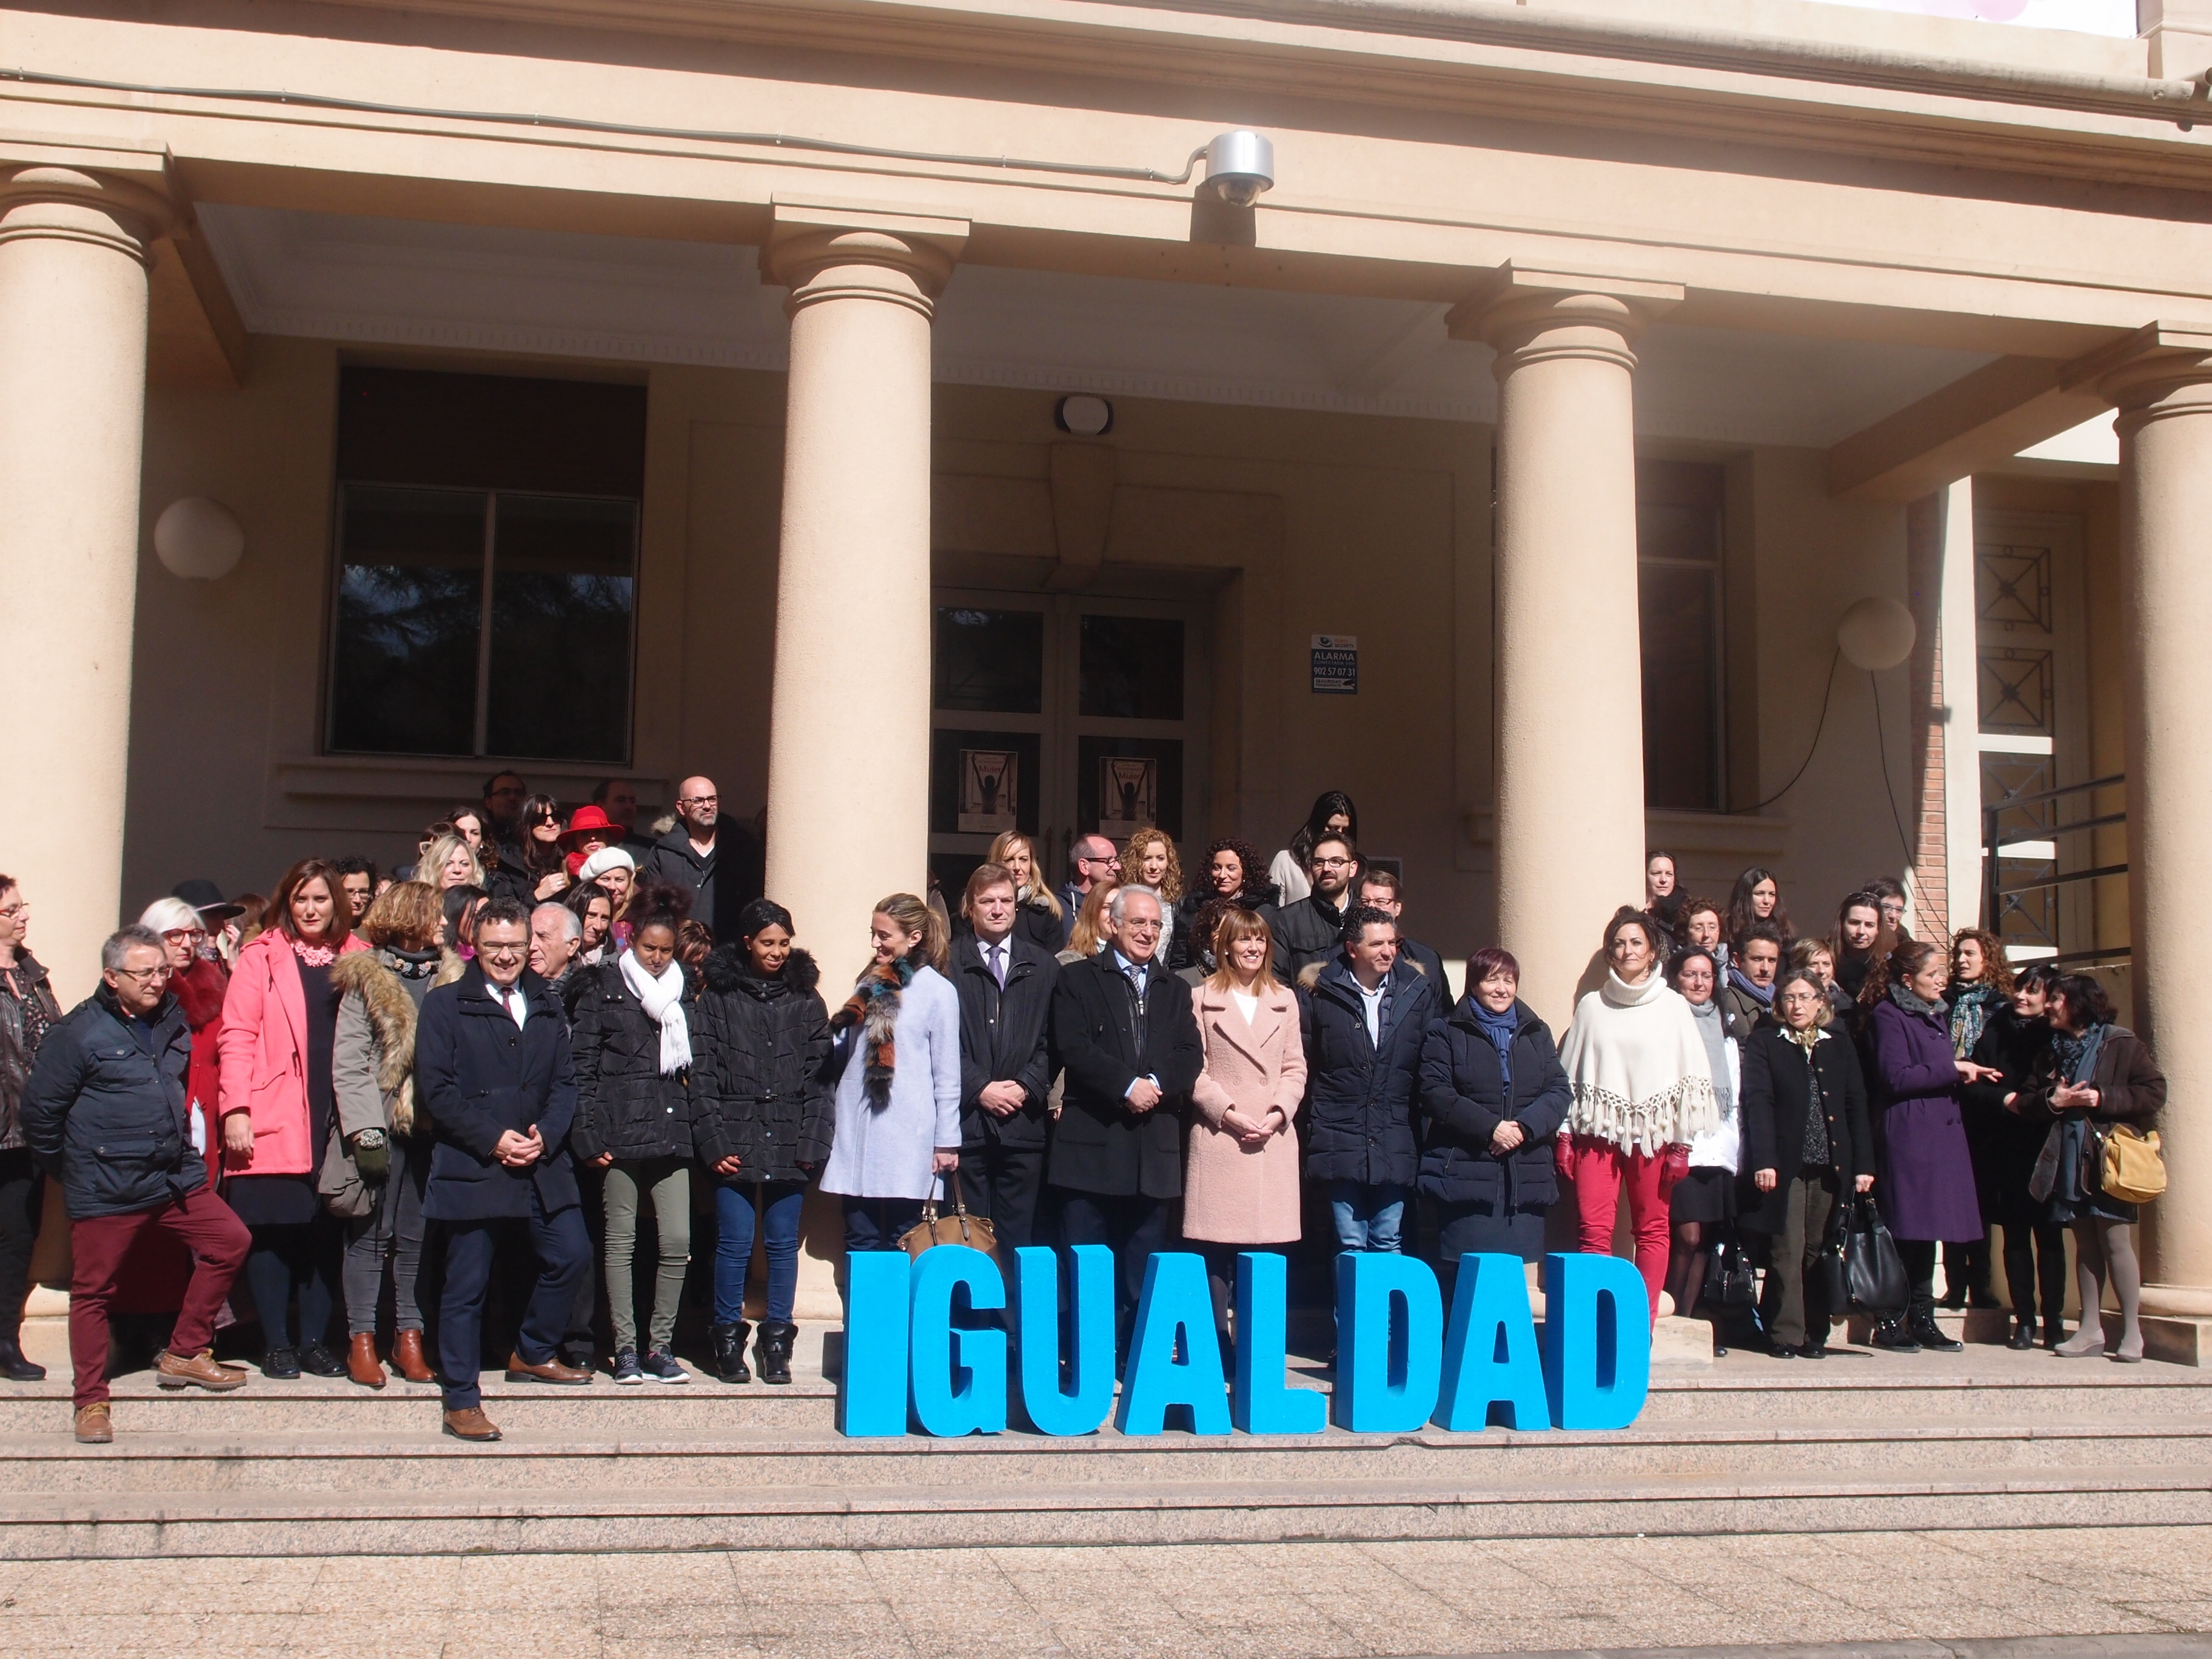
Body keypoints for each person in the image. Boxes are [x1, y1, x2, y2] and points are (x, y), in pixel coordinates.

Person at [23, 926, 254, 1441]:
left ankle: (185, 1350)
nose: (158, 981)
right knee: (93, 1291)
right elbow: (41, 1116)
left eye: (162, 971)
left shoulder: (171, 1016)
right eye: (145, 972)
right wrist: (79, 1166)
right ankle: (90, 1402)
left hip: (172, 1174)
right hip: (107, 1183)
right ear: (112, 977)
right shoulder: (79, 1034)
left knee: (230, 1242)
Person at [415, 898, 592, 1438]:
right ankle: (462, 1399)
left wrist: (548, 1134)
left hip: (541, 1160)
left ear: (529, 946)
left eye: (515, 947)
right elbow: (436, 1091)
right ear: (476, 947)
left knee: (571, 1254)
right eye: (494, 947)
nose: (506, 957)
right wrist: (494, 1140)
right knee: (466, 1286)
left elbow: (565, 1082)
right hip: (476, 1161)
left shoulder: (547, 1003)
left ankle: (533, 1351)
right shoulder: (445, 1005)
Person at [218, 861, 366, 1380]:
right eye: (301, 899)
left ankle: (313, 1342)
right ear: (287, 902)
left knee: (326, 1235)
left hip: (338, 1115)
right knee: (274, 1233)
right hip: (275, 1111)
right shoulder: (261, 958)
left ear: (337, 906)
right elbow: (236, 1036)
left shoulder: (359, 958)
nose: (311, 909)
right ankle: (276, 1342)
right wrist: (235, 1108)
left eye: (321, 900)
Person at [1048, 885, 1203, 1348]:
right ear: (1112, 924)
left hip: (1151, 1153)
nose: (1148, 932)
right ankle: (1084, 1353)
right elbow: (1072, 1046)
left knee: (1144, 1263)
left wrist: (1154, 1084)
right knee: (1086, 1263)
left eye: (1155, 924)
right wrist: (1124, 1085)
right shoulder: (1076, 981)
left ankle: (1136, 1354)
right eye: (1138, 922)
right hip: (1092, 1148)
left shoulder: (1175, 989)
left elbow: (1189, 1055)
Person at [694, 898, 833, 1386]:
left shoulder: (806, 1001)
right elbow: (703, 1073)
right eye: (768, 943)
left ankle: (778, 1341)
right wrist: (713, 1142)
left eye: (784, 943)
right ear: (748, 942)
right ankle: (728, 1339)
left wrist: (813, 1141)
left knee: (781, 1245)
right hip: (733, 1135)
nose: (777, 952)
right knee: (732, 1243)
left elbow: (822, 1078)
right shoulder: (717, 998)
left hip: (789, 1136)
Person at [1556, 907, 1716, 1318]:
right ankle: (1592, 1321)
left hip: (1654, 1133)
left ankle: (1639, 1323)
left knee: (1651, 1228)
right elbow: (1572, 1073)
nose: (1628, 950)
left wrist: (1681, 1144)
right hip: (1598, 1131)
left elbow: (1690, 1076)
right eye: (1620, 943)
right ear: (1611, 953)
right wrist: (1565, 1133)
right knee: (1593, 1229)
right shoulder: (1592, 1007)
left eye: (1636, 943)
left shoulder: (1673, 1007)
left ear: (1652, 952)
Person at [329, 880, 458, 1388]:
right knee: (369, 1233)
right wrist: (366, 1133)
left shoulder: (453, 976)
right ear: (411, 919)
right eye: (437, 915)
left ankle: (410, 1337)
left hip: (432, 1123)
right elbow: (349, 1061)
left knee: (416, 1236)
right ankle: (362, 1339)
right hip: (379, 1122)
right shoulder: (368, 977)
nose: (445, 924)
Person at [569, 885, 696, 1384]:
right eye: (650, 950)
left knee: (677, 1240)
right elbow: (583, 1066)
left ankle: (659, 1345)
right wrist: (587, 1133)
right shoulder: (602, 986)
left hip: (670, 1128)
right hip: (618, 1131)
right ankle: (625, 1347)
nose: (659, 959)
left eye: (667, 951)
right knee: (620, 1241)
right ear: (632, 942)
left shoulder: (686, 990)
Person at [2020, 973, 2166, 1362]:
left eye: (2056, 998)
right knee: (2084, 1242)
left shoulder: (2121, 1042)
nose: (2048, 1005)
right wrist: (2055, 1098)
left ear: (2078, 1003)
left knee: (2116, 1241)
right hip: (2067, 1155)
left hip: (2107, 1157)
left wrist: (2102, 1097)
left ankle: (2132, 1332)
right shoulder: (2049, 1049)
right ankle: (2090, 1330)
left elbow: (2154, 1091)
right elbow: (2031, 1098)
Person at [819, 894, 962, 1277]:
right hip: (859, 1133)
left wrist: (947, 1141)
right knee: (859, 1238)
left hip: (908, 1138)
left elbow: (947, 1073)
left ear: (914, 937)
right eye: (873, 933)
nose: (875, 943)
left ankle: (900, 1333)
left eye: (884, 935)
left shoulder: (938, 992)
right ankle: (865, 1334)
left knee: (906, 1238)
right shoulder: (868, 982)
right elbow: (848, 1053)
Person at [1859, 939, 1990, 1353]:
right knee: (1906, 1231)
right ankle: (1890, 1319)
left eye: (1941, 974)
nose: (1941, 981)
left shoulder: (1937, 1013)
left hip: (1940, 1137)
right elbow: (1895, 1076)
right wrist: (1952, 1069)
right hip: (1909, 1137)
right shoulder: (1889, 1015)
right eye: (1932, 975)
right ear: (1906, 980)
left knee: (1929, 1232)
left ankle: (1924, 1317)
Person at [1184, 907, 1305, 1347]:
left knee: (1265, 1251)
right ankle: (1216, 1346)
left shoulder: (1285, 998)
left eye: (1259, 941)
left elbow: (1295, 1067)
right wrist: (1228, 1113)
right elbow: (1193, 1071)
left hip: (1271, 1139)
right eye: (1243, 940)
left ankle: (1259, 1348)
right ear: (1226, 946)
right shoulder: (1201, 998)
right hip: (1221, 1136)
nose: (1252, 948)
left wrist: (1277, 1115)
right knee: (1215, 1250)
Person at [1740, 968, 1875, 1359]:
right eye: (1789, 998)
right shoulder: (1767, 1042)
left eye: (1805, 998)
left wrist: (1863, 1164)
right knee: (1788, 1247)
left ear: (1821, 1003)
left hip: (1831, 1162)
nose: (1796, 1005)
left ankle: (1815, 1332)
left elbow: (1855, 1105)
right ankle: (1784, 1333)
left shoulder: (1838, 1044)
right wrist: (1764, 1159)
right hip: (1787, 1162)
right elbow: (1758, 1103)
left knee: (1819, 1247)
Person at [1418, 947, 1571, 1289]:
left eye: (1509, 980)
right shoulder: (1445, 1031)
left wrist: (1524, 1128)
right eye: (1492, 980)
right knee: (1465, 1282)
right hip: (1466, 1175)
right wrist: (1491, 1129)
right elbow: (1435, 1092)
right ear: (1474, 985)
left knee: (1509, 1283)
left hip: (1523, 1176)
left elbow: (1560, 1090)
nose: (1502, 988)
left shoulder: (1536, 1031)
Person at [1306, 905, 1441, 1259]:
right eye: (1377, 944)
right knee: (1350, 1242)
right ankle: (1351, 1317)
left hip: (1396, 1131)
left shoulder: (1417, 991)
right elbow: (1306, 1061)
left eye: (1393, 943)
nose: (1388, 951)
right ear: (1352, 949)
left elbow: (1429, 1063)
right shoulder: (1320, 991)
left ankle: (1385, 1318)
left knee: (1388, 1240)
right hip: (1339, 1131)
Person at [951, 863, 1059, 1256]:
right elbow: (941, 1044)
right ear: (970, 906)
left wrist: (1028, 1085)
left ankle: (1013, 1316)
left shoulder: (1044, 966)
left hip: (1023, 1125)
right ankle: (971, 1316)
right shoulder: (949, 964)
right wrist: (979, 1087)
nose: (998, 909)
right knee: (970, 1239)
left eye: (1005, 900)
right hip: (967, 1126)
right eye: (987, 901)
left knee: (1018, 1239)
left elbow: (1057, 1040)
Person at [1960, 964, 2064, 1349]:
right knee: (2015, 1237)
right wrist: (2007, 1100)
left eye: (2032, 991)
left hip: (2046, 1150)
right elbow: (1975, 1084)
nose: (2021, 997)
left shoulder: (2057, 1038)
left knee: (2050, 1238)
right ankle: (2024, 1320)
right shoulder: (1997, 1027)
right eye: (2020, 989)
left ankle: (2052, 1322)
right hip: (2004, 1147)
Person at [0, 876, 62, 1381]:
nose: (23, 917)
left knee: (20, 1239)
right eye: (11, 910)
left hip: (29, 1132)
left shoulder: (31, 974)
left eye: (23, 908)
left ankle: (4, 1339)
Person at [1664, 948, 1741, 1346]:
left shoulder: (1725, 1031)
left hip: (1717, 1149)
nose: (1699, 983)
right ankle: (1666, 1316)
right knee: (1686, 1238)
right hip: (1681, 1147)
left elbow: (1737, 1095)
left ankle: (1687, 1323)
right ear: (1675, 978)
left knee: (1703, 1244)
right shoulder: (1665, 1023)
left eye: (1707, 975)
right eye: (1691, 974)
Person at [1940, 928, 2014, 1312]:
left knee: (1981, 1202)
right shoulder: (1942, 1002)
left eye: (1970, 953)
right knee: (1953, 1198)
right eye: (1958, 954)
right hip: (1948, 1105)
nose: (1961, 960)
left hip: (1984, 1111)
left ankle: (1981, 1283)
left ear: (1989, 959)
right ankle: (1954, 1284)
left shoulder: (2001, 1007)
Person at [138, 897, 229, 1189]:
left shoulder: (218, 990)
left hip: (208, 1124)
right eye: (175, 935)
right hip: (155, 1129)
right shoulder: (144, 997)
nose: (186, 944)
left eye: (194, 935)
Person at [638, 774, 765, 942]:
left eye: (712, 799)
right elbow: (652, 909)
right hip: (679, 954)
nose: (707, 806)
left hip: (731, 955)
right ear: (681, 807)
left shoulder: (744, 849)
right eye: (698, 800)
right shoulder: (664, 853)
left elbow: (756, 903)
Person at [1171, 837, 1277, 977]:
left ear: (1245, 872)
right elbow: (1179, 960)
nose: (1222, 875)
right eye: (1217, 868)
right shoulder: (1194, 907)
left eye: (1231, 868)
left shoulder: (1263, 911)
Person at [1269, 831, 1361, 982]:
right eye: (1318, 862)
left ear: (1353, 868)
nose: (1326, 868)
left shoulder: (1367, 919)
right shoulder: (1286, 921)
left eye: (1336, 861)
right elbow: (1275, 980)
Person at [1350, 867, 1446, 990]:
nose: (1372, 907)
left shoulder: (1426, 959)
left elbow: (1441, 1008)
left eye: (1381, 902)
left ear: (1398, 908)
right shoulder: (1339, 957)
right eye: (1365, 902)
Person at [973, 831, 1064, 953]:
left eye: (1023, 859)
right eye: (1009, 859)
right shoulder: (975, 906)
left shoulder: (1047, 910)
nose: (1017, 867)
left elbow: (1053, 963)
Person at [1270, 791, 1356, 908]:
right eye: (1333, 828)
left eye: (1345, 830)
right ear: (1318, 824)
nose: (1339, 835)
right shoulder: (1287, 861)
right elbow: (1274, 912)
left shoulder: (1353, 866)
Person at [1122, 827, 1183, 962]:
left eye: (1160, 858)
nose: (1154, 866)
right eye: (1147, 858)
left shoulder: (1177, 903)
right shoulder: (1122, 899)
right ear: (1136, 862)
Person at [1718, 922, 1783, 1042]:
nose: (1765, 968)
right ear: (1737, 960)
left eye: (1772, 960)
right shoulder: (1726, 1003)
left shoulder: (1783, 1002)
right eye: (1757, 959)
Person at [1056, 835, 1122, 950]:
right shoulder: (1057, 909)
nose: (1118, 866)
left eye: (1116, 860)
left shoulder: (1124, 902)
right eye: (1109, 861)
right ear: (1084, 866)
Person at [512, 794, 571, 902]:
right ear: (527, 825)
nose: (550, 823)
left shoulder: (573, 859)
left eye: (556, 816)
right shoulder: (512, 865)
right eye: (540, 819)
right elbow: (503, 912)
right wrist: (537, 896)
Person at [576, 847, 637, 951]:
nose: (612, 887)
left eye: (619, 880)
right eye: (605, 879)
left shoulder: (641, 917)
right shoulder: (575, 917)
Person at [1829, 891, 1885, 1002]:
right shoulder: (1824, 960)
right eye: (1854, 923)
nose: (1861, 931)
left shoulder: (1887, 963)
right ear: (1842, 924)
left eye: (1869, 925)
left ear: (1878, 929)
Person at [1725, 866, 1792, 952]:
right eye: (1760, 894)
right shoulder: (1727, 932)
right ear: (1745, 896)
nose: (1767, 901)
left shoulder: (1785, 934)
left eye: (1772, 894)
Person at [1790, 936, 1854, 1019]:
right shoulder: (1787, 1003)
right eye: (1813, 964)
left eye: (1826, 964)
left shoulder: (1847, 1005)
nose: (1821, 971)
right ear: (1798, 968)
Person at [529, 900, 584, 997]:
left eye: (543, 937)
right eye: (529, 937)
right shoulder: (513, 988)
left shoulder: (588, 994)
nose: (531, 946)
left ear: (572, 945)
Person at [590, 778, 656, 855]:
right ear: (600, 806)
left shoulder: (652, 850)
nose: (629, 807)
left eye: (632, 802)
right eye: (621, 800)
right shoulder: (586, 846)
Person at [1059, 882, 1119, 965]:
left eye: (1120, 907)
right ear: (1092, 912)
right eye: (1107, 907)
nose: (1115, 914)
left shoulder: (1136, 958)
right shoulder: (1069, 961)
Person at [560, 805, 622, 879]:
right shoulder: (562, 883)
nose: (592, 838)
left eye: (598, 832)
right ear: (575, 841)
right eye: (584, 834)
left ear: (608, 837)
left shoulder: (625, 869)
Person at [565, 879, 615, 967]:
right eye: (591, 915)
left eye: (604, 918)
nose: (598, 926)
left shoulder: (615, 962)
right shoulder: (555, 954)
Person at [1674, 897, 1728, 977]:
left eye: (1712, 927)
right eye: (1699, 928)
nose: (1706, 934)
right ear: (1685, 932)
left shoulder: (1730, 968)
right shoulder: (1674, 967)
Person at [424, 830, 483, 894]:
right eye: (448, 864)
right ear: (433, 867)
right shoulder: (418, 903)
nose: (457, 870)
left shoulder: (484, 903)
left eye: (464, 864)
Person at [1645, 851, 1684, 945]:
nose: (1663, 880)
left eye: (1669, 874)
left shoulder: (1686, 910)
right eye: (1656, 873)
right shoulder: (1641, 913)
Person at [331, 857, 379, 925]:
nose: (358, 900)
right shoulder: (321, 932)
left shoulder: (376, 932)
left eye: (363, 892)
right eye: (349, 892)